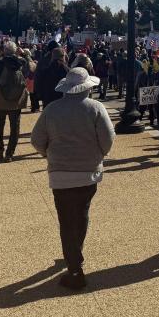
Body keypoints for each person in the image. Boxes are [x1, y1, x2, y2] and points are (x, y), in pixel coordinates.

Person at [31, 67, 116, 290]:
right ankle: (75, 254)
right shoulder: (95, 108)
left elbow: (37, 139)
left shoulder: (52, 109)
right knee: (82, 214)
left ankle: (74, 264)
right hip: (88, 171)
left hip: (60, 172)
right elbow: (108, 139)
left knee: (66, 220)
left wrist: (47, 153)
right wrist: (99, 153)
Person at [0, 42, 28, 162]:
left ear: (4, 50)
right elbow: (28, 72)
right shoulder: (21, 63)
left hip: (1, 97)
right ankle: (10, 153)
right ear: (15, 51)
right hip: (16, 98)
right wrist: (24, 55)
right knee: (14, 127)